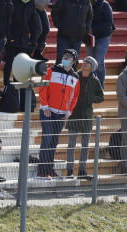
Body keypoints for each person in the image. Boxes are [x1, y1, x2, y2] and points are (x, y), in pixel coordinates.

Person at [37, 49, 80, 178]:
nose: (66, 58)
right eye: (65, 55)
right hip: (48, 111)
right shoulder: (51, 70)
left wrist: (69, 112)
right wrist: (45, 106)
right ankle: (42, 170)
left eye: (69, 57)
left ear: (74, 61)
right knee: (47, 138)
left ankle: (50, 169)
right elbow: (42, 87)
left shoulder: (75, 77)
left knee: (54, 142)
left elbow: (74, 97)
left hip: (61, 114)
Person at [64, 56, 103, 178]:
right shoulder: (74, 76)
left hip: (86, 116)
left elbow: (101, 97)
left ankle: (82, 171)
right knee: (71, 145)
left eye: (88, 62)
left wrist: (91, 99)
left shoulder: (95, 81)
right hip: (74, 114)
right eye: (84, 61)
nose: (85, 63)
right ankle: (70, 171)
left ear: (93, 67)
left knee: (85, 145)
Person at [3, 0, 39, 86]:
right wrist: (9, 36)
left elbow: (34, 22)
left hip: (23, 38)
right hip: (12, 37)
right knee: (9, 61)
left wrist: (32, 40)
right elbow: (8, 20)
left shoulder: (31, 2)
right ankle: (6, 84)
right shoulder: (13, 0)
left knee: (19, 63)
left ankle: (16, 84)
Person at [84, 0, 114, 84]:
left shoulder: (105, 6)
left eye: (90, 0)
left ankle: (100, 85)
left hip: (103, 36)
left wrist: (93, 29)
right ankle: (91, 84)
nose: (89, 2)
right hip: (90, 37)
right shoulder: (84, 6)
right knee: (90, 61)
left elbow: (108, 24)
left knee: (99, 61)